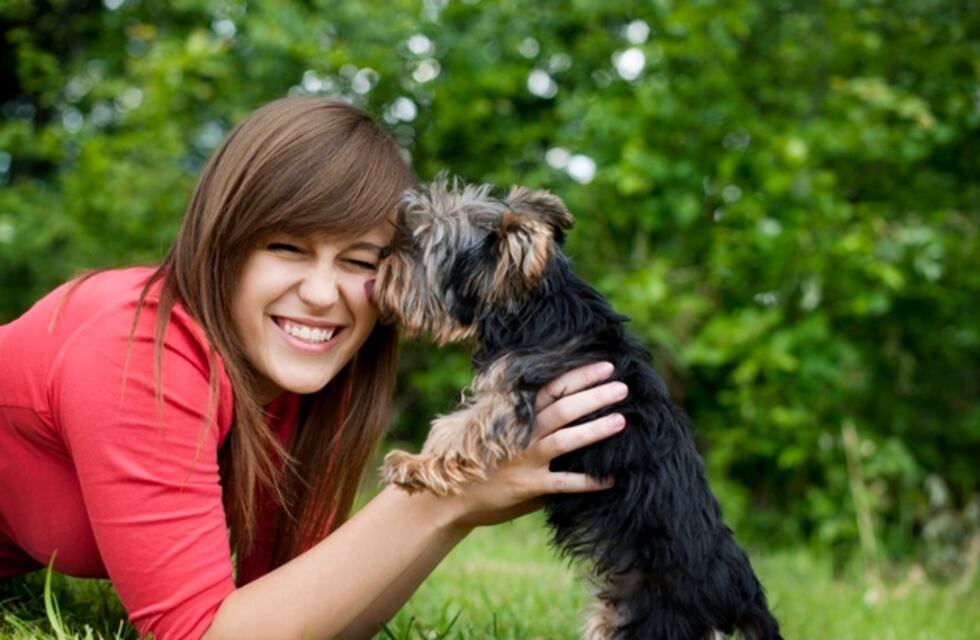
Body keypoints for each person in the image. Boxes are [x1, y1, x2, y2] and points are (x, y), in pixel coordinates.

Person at [0, 96, 628, 639]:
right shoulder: (138, 347)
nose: (323, 294)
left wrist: (458, 510)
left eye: (360, 261)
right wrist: (437, 495)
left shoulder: (299, 380)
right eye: (286, 248)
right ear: (222, 243)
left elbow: (301, 619)